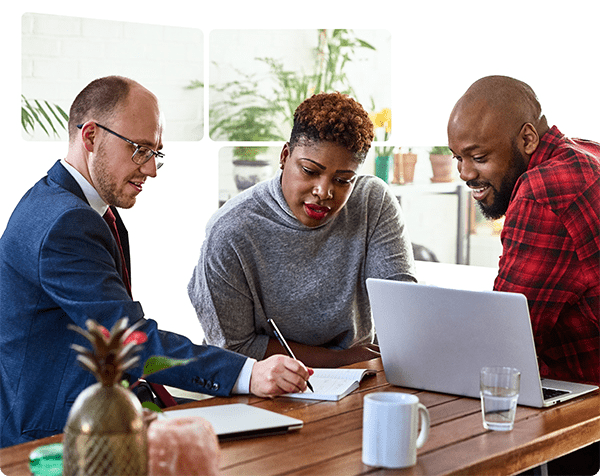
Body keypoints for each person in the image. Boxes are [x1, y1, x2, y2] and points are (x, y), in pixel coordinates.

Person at [0, 76, 310, 448]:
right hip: (52, 436)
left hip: (88, 411)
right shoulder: (67, 222)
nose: (151, 169)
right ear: (91, 137)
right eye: (140, 150)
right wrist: (248, 373)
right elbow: (129, 340)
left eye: (155, 152)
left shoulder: (60, 203)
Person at [188, 92, 416, 369]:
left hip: (358, 376)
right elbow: (234, 346)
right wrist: (340, 359)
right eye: (309, 171)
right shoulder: (231, 230)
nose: (324, 192)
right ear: (285, 156)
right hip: (262, 384)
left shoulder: (372, 202)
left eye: (343, 180)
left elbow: (400, 308)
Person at [448, 76, 599, 475]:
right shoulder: (588, 152)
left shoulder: (542, 190)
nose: (465, 173)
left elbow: (504, 340)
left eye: (478, 157)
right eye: (456, 158)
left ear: (528, 138)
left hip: (584, 415)